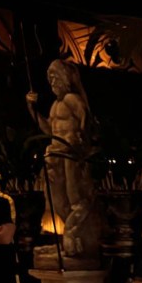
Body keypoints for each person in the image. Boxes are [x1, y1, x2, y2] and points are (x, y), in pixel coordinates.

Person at [25, 59, 99, 260]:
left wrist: (82, 151)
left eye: (56, 76)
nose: (52, 81)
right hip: (55, 154)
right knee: (57, 202)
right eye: (50, 78)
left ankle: (72, 235)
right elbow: (49, 130)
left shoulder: (73, 100)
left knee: (75, 197)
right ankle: (73, 240)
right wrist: (32, 109)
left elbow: (87, 126)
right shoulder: (55, 105)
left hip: (70, 155)